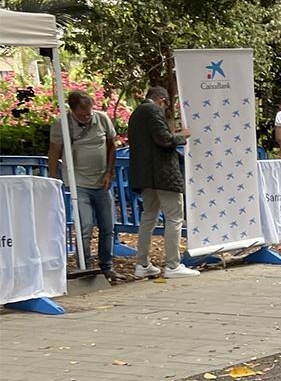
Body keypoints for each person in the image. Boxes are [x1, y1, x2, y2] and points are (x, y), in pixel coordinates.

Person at [48, 90, 120, 279]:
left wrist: (109, 172)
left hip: (101, 181)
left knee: (107, 227)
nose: (87, 118)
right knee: (85, 225)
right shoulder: (61, 124)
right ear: (72, 110)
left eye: (89, 113)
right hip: (78, 182)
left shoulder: (102, 119)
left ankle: (106, 265)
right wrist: (54, 181)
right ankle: (84, 265)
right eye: (81, 115)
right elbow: (54, 153)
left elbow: (112, 145)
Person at [127, 87, 197, 278]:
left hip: (145, 175)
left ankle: (142, 264)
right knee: (174, 217)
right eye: (166, 105)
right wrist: (182, 135)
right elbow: (163, 139)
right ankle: (173, 265)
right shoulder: (153, 111)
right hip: (163, 175)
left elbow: (150, 145)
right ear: (161, 100)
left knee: (148, 217)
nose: (166, 109)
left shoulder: (136, 114)